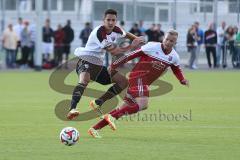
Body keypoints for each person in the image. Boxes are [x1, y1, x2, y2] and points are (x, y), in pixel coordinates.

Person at [88, 29, 189, 138]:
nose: (168, 42)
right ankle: (111, 117)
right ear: (163, 38)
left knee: (123, 108)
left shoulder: (174, 56)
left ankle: (94, 129)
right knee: (143, 105)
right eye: (167, 39)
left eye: (171, 41)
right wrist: (114, 65)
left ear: (175, 43)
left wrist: (182, 79)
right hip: (138, 77)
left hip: (144, 82)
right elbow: (130, 56)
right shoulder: (152, 46)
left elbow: (176, 69)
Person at [67, 9, 144, 120]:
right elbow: (115, 52)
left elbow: (126, 34)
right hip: (86, 60)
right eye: (108, 20)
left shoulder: (116, 30)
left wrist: (137, 39)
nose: (111, 22)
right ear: (103, 21)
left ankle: (99, 102)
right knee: (84, 80)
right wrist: (132, 46)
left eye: (113, 20)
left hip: (98, 66)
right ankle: (72, 109)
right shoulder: (99, 32)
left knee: (123, 82)